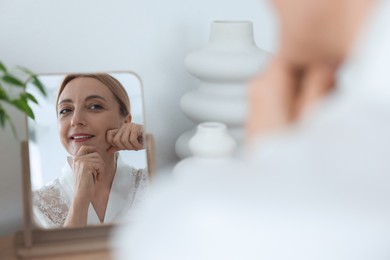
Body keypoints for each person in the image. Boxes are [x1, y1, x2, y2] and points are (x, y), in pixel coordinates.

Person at [113, 0, 390, 259]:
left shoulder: (208, 220)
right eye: (66, 110)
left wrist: (274, 158)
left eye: (95, 106)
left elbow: (168, 235)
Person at [32, 73, 149, 228]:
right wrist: (80, 197)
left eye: (95, 106)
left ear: (126, 121)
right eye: (65, 110)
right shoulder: (33, 205)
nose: (76, 120)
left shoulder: (155, 180)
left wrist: (151, 138)